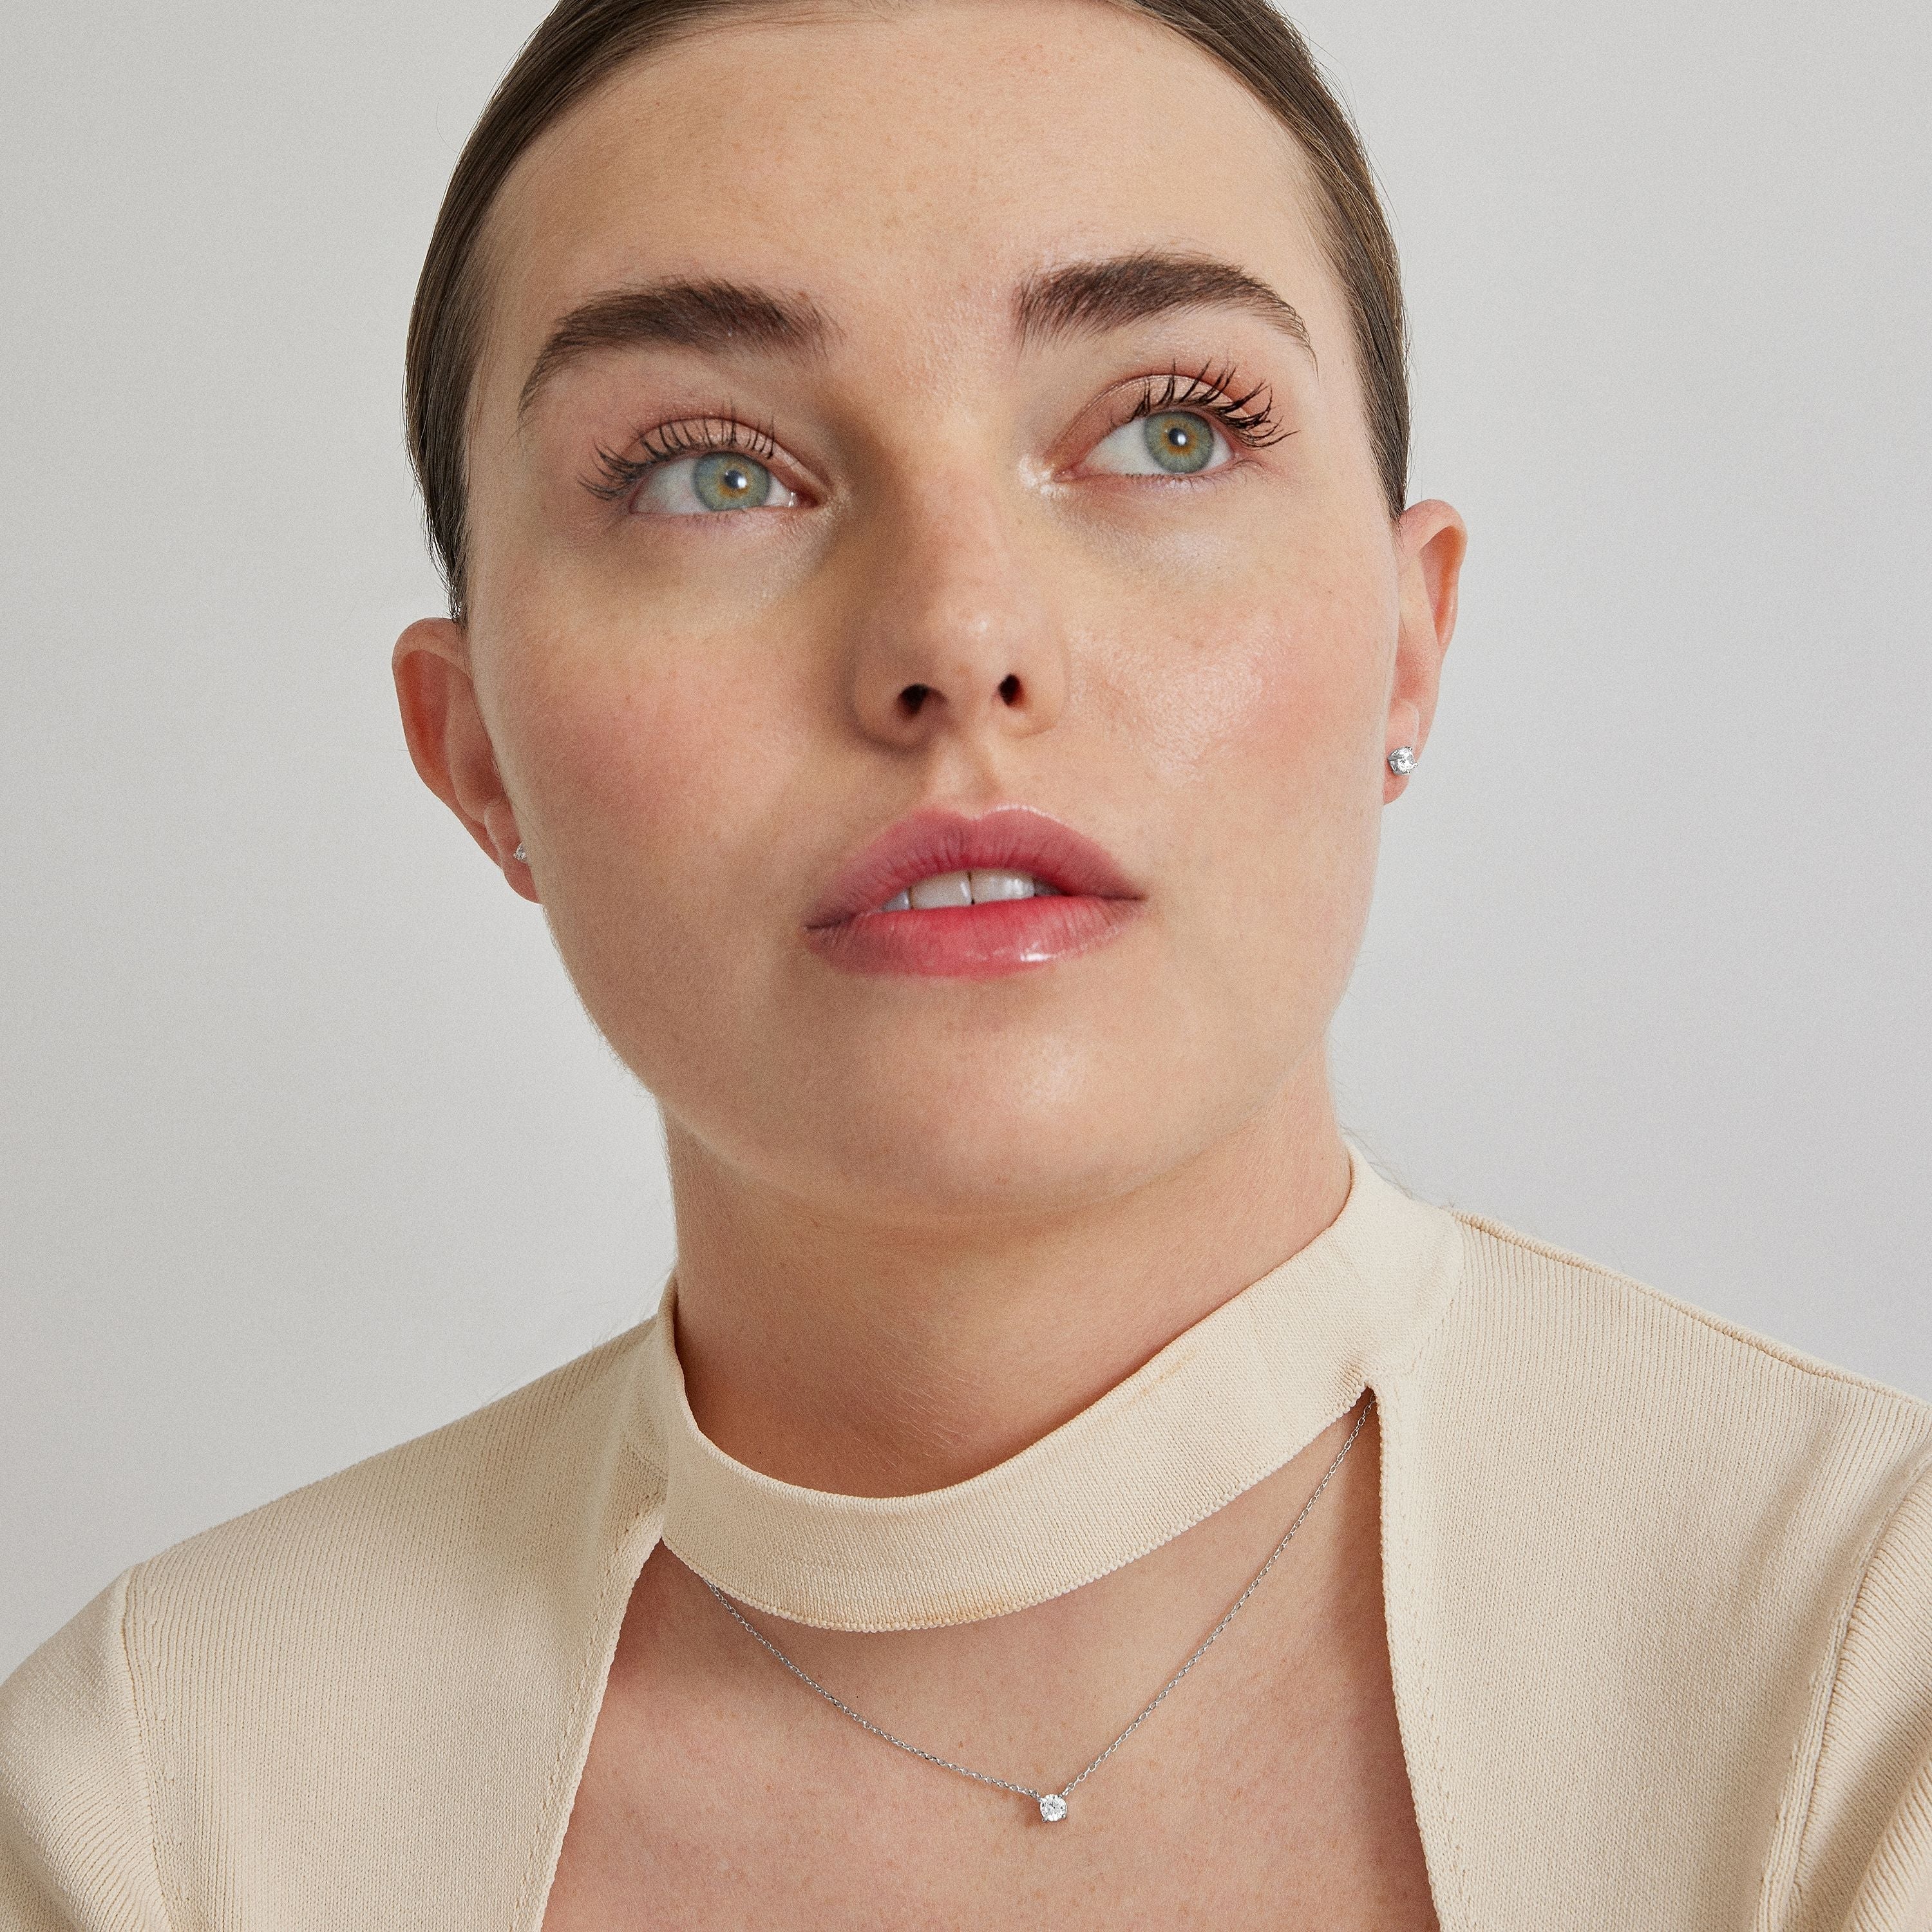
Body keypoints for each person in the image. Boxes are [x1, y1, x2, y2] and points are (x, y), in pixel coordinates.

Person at [3, 0, 1927, 1925]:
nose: (959, 638)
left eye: (1169, 432)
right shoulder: (163, 1811)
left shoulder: (1869, 1679)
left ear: (1408, 648)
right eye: (709, 473)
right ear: (477, 750)